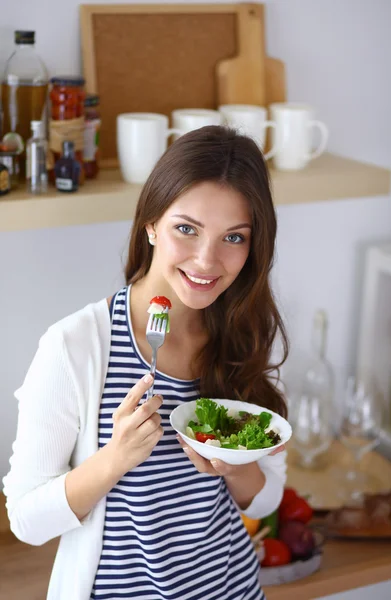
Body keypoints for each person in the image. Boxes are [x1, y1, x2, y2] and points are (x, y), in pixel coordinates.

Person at [3, 125, 289, 600]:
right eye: (186, 229)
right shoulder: (75, 346)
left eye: (233, 238)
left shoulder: (244, 334)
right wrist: (115, 459)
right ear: (151, 222)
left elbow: (268, 497)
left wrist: (235, 464)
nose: (206, 260)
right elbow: (26, 521)